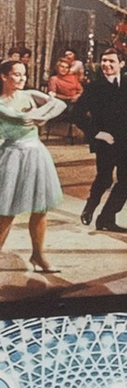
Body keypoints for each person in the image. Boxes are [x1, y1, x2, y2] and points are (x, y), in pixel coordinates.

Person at [79, 39, 127, 234]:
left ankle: (106, 218)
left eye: (111, 61)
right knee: (104, 179)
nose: (106, 65)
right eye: (104, 61)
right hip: (105, 141)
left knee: (126, 181)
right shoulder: (95, 87)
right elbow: (76, 114)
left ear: (121, 64)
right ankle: (90, 205)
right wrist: (97, 133)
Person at [0, 52, 66, 271]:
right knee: (6, 211)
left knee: (40, 208)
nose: (21, 79)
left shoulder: (29, 94)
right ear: (3, 77)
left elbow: (59, 105)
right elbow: (19, 117)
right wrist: (38, 115)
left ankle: (38, 255)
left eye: (23, 75)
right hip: (13, 156)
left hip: (35, 153)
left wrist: (43, 116)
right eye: (16, 75)